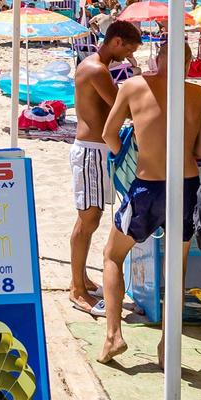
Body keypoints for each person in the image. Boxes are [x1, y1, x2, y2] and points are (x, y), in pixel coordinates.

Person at [97, 37, 201, 363]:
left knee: (112, 255)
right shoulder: (200, 95)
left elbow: (109, 134)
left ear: (157, 59)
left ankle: (113, 336)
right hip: (187, 185)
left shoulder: (134, 86)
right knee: (175, 270)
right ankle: (168, 346)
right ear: (189, 64)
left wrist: (129, 155)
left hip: (148, 186)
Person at [68, 22, 137, 315]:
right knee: (89, 219)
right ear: (116, 41)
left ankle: (80, 278)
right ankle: (77, 290)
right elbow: (123, 107)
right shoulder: (97, 69)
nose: (129, 55)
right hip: (90, 151)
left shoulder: (95, 66)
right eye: (129, 49)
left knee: (88, 218)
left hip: (94, 150)